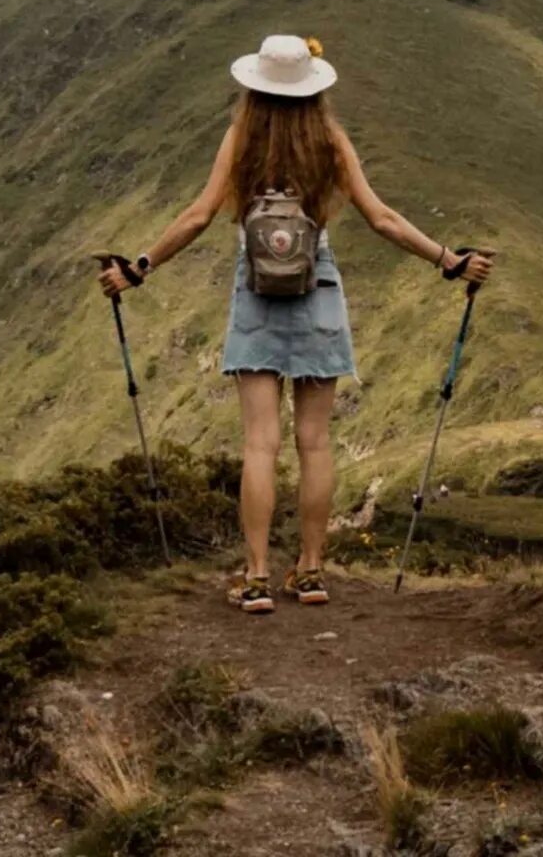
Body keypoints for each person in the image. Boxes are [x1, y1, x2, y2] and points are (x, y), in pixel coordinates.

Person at [99, 34, 495, 613]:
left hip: (256, 292)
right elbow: (381, 218)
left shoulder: (242, 138)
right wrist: (448, 260)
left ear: (254, 87)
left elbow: (200, 215)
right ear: (312, 87)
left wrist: (140, 268)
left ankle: (256, 575)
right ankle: (310, 572)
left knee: (260, 443)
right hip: (320, 290)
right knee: (315, 442)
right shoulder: (329, 140)